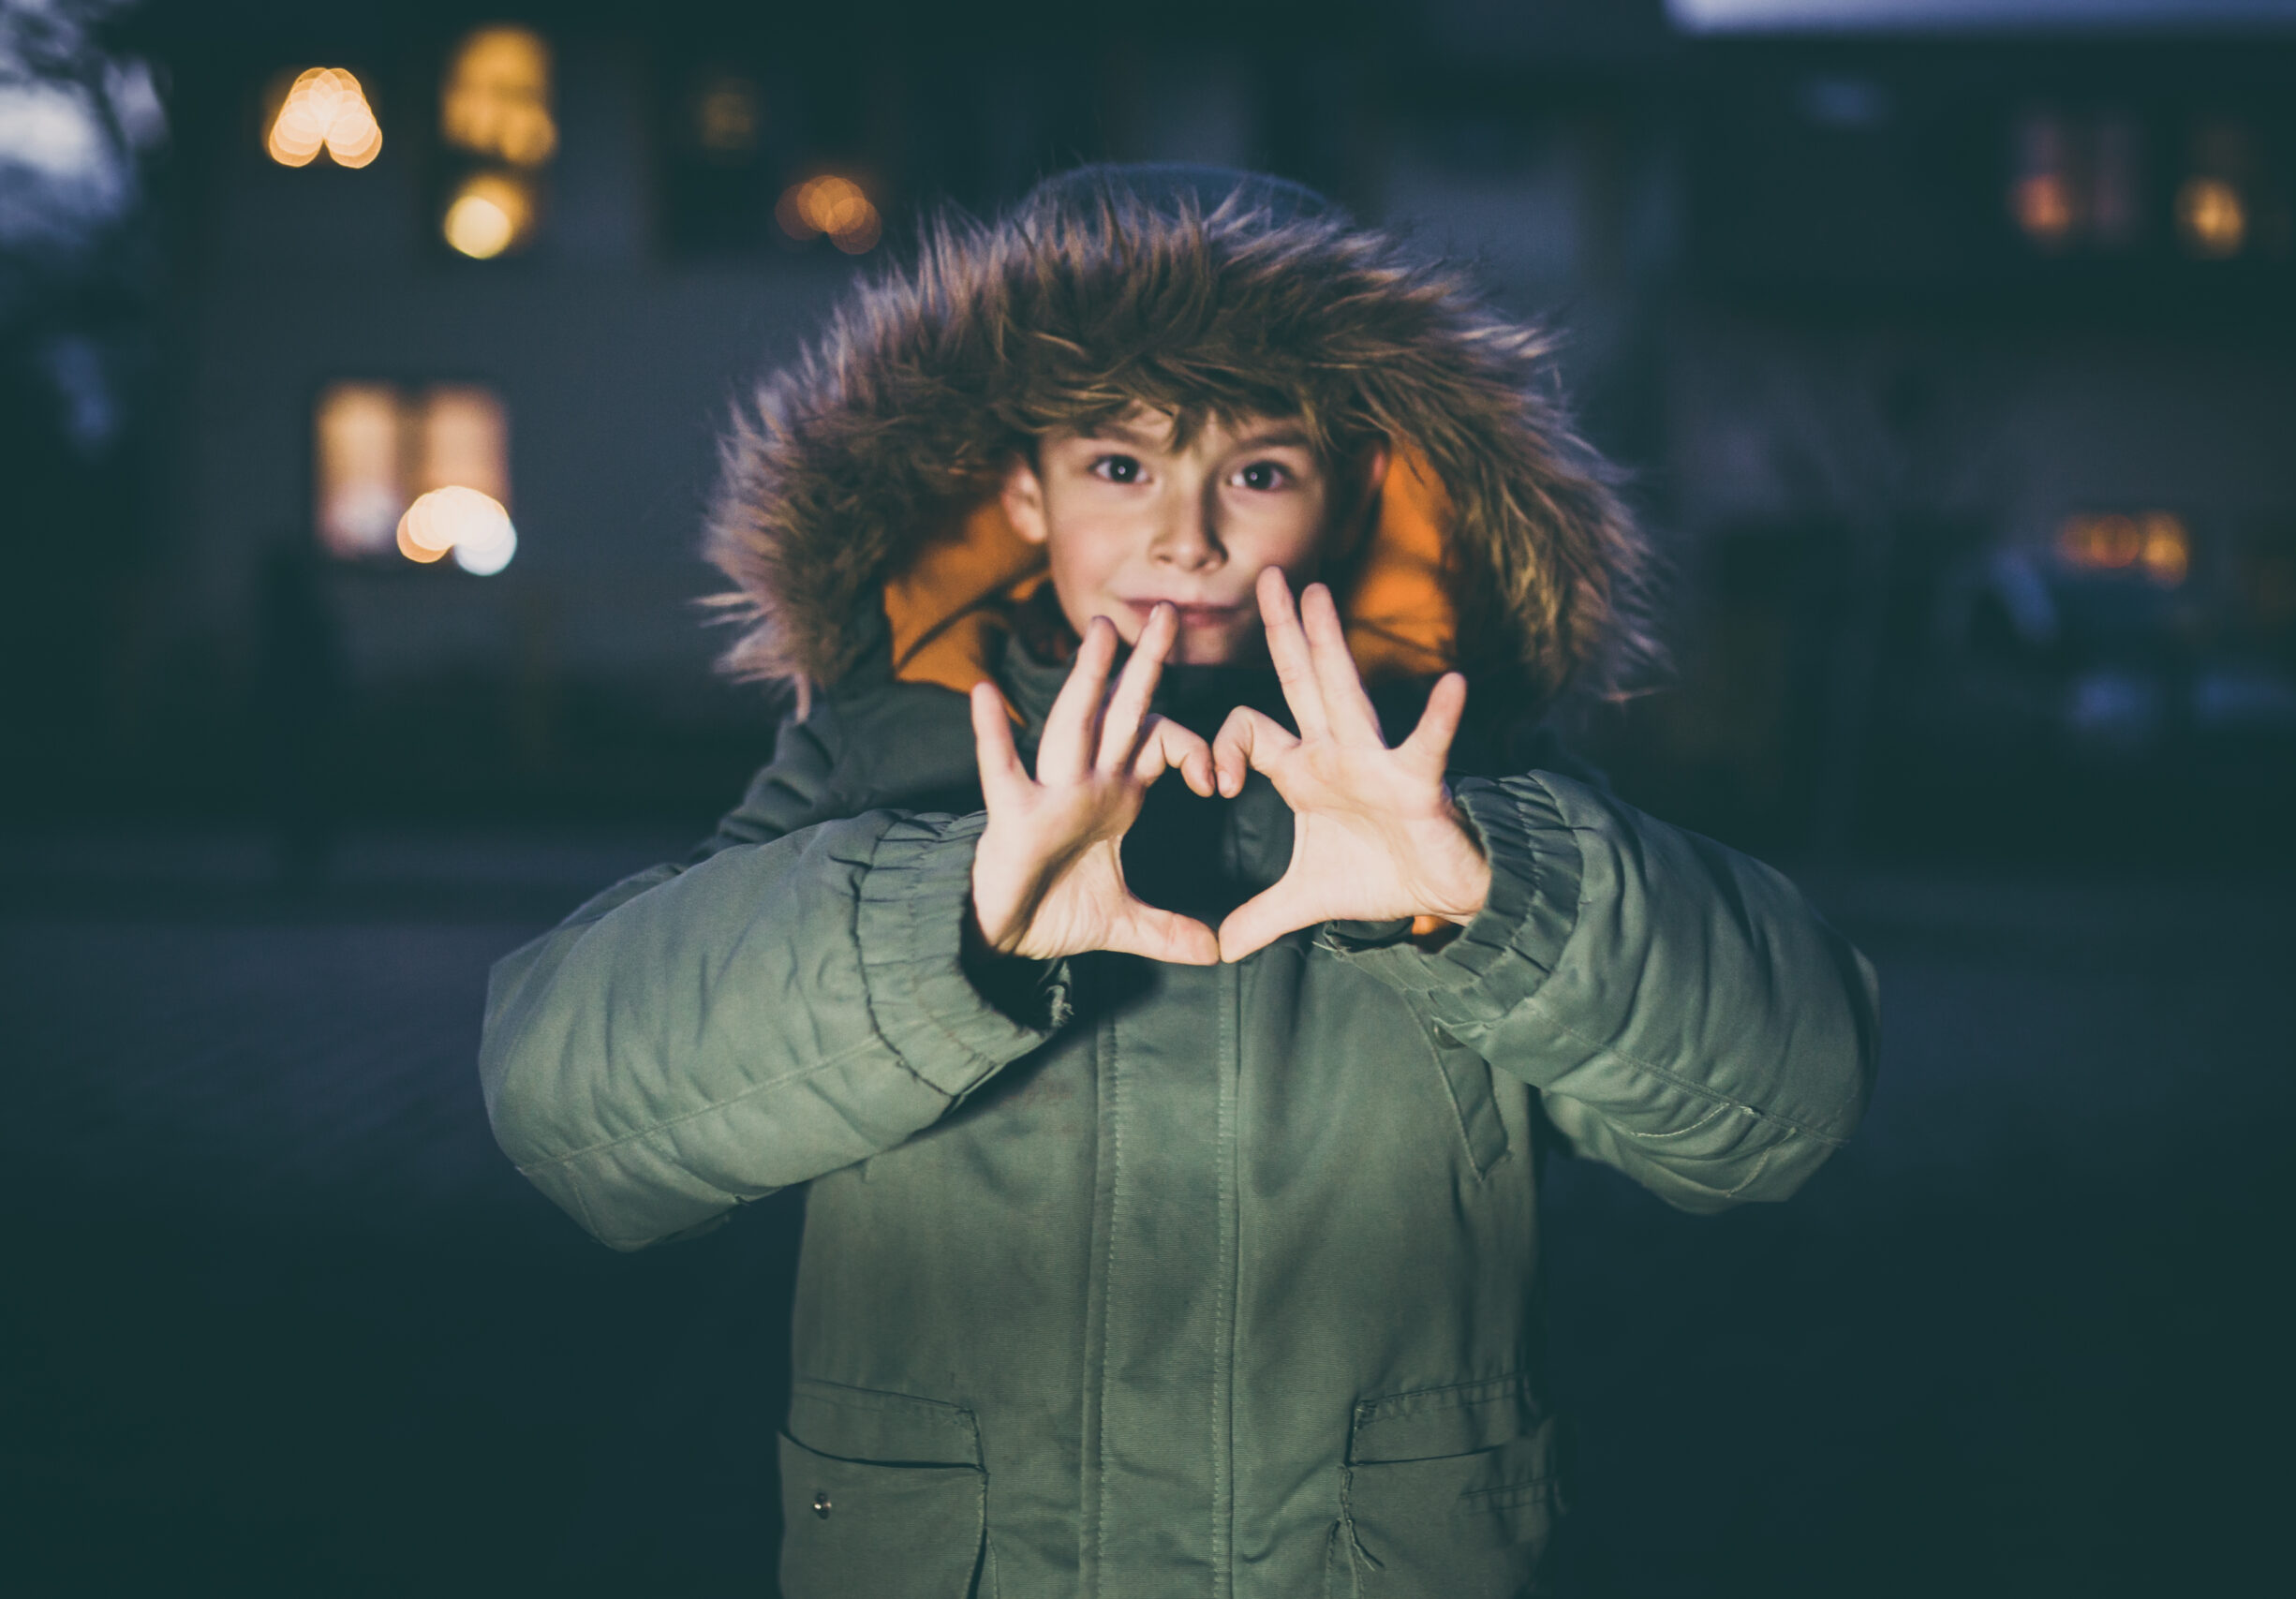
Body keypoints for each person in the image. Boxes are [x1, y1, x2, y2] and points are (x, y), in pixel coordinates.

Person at [480, 165, 1878, 1599]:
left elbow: (1787, 1100)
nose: (1188, 536)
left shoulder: (1450, 764)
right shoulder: (883, 747)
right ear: (1021, 490)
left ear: (1347, 498)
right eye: (1121, 465)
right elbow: (569, 1107)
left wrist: (1489, 896)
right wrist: (947, 920)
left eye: (1258, 472)